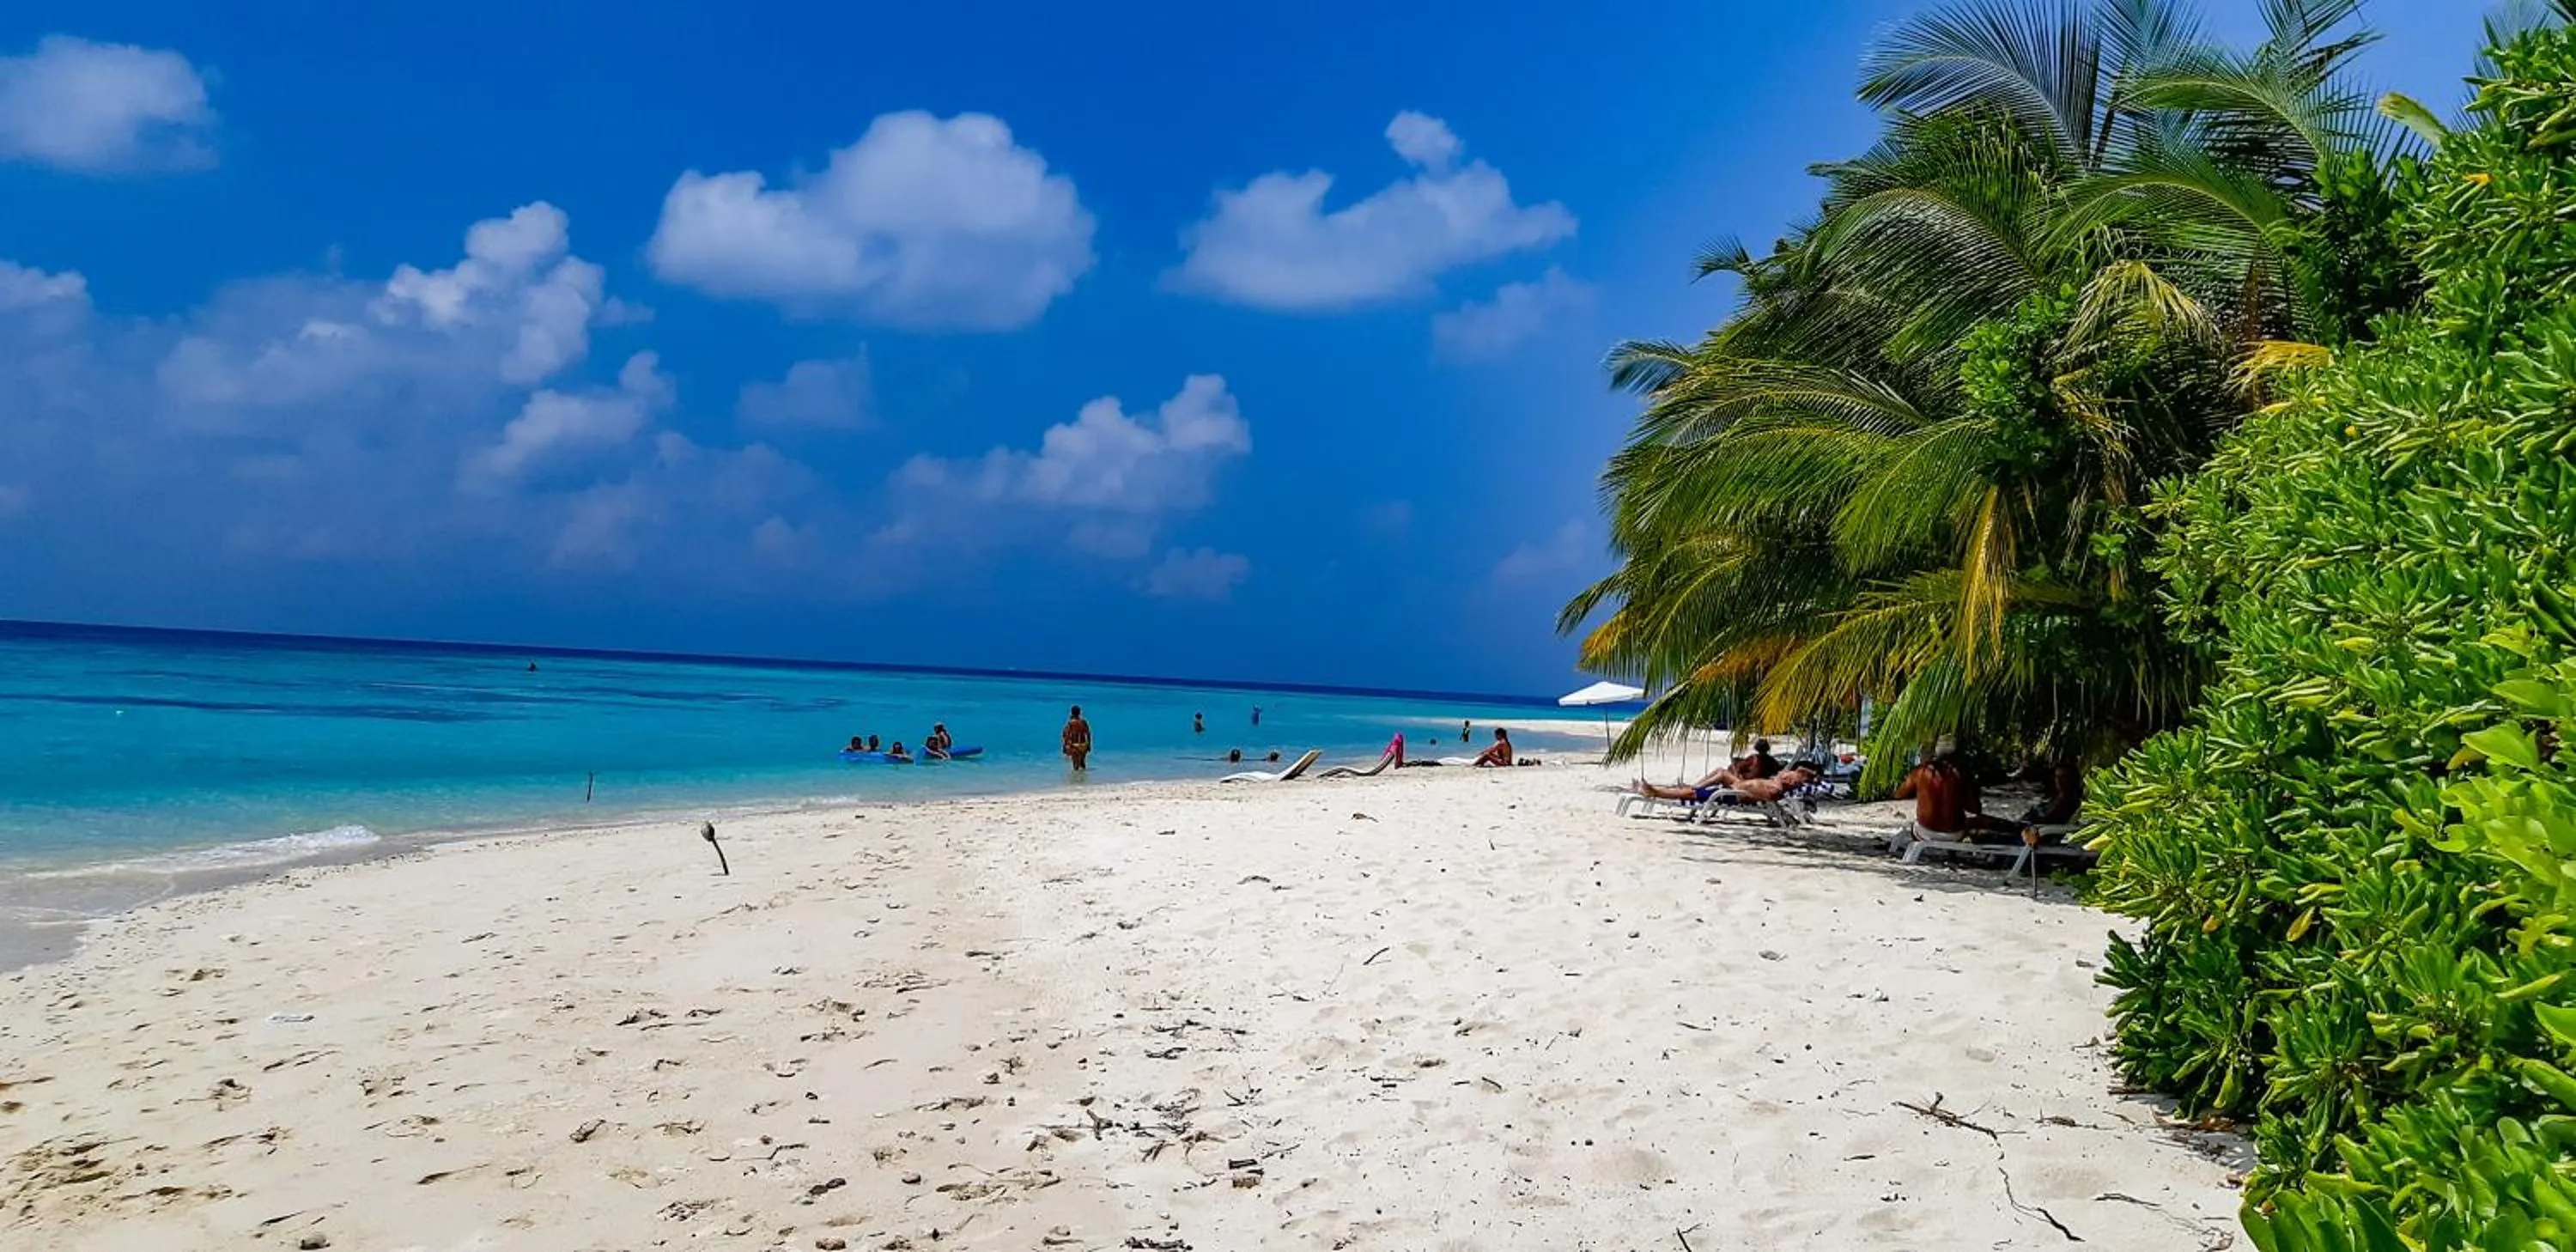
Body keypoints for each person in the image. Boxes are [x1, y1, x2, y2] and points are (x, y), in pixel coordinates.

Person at [1632, 763, 1817, 805]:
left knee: (1690, 794)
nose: (1784, 775)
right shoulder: (1776, 784)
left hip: (1734, 796)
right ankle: (1695, 786)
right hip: (1736, 789)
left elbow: (1758, 796)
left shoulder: (1775, 790)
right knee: (1720, 772)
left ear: (1794, 783)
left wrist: (1738, 788)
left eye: (1789, 777)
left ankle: (1654, 792)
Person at [1062, 706, 1092, 771]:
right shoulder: (1083, 722)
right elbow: (1088, 733)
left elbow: (1066, 735)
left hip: (1075, 745)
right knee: (1082, 763)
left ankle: (1076, 780)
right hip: (1083, 745)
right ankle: (1084, 779)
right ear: (1080, 713)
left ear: (1071, 713)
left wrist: (1064, 746)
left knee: (1075, 766)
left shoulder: (1071, 723)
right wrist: (1089, 744)